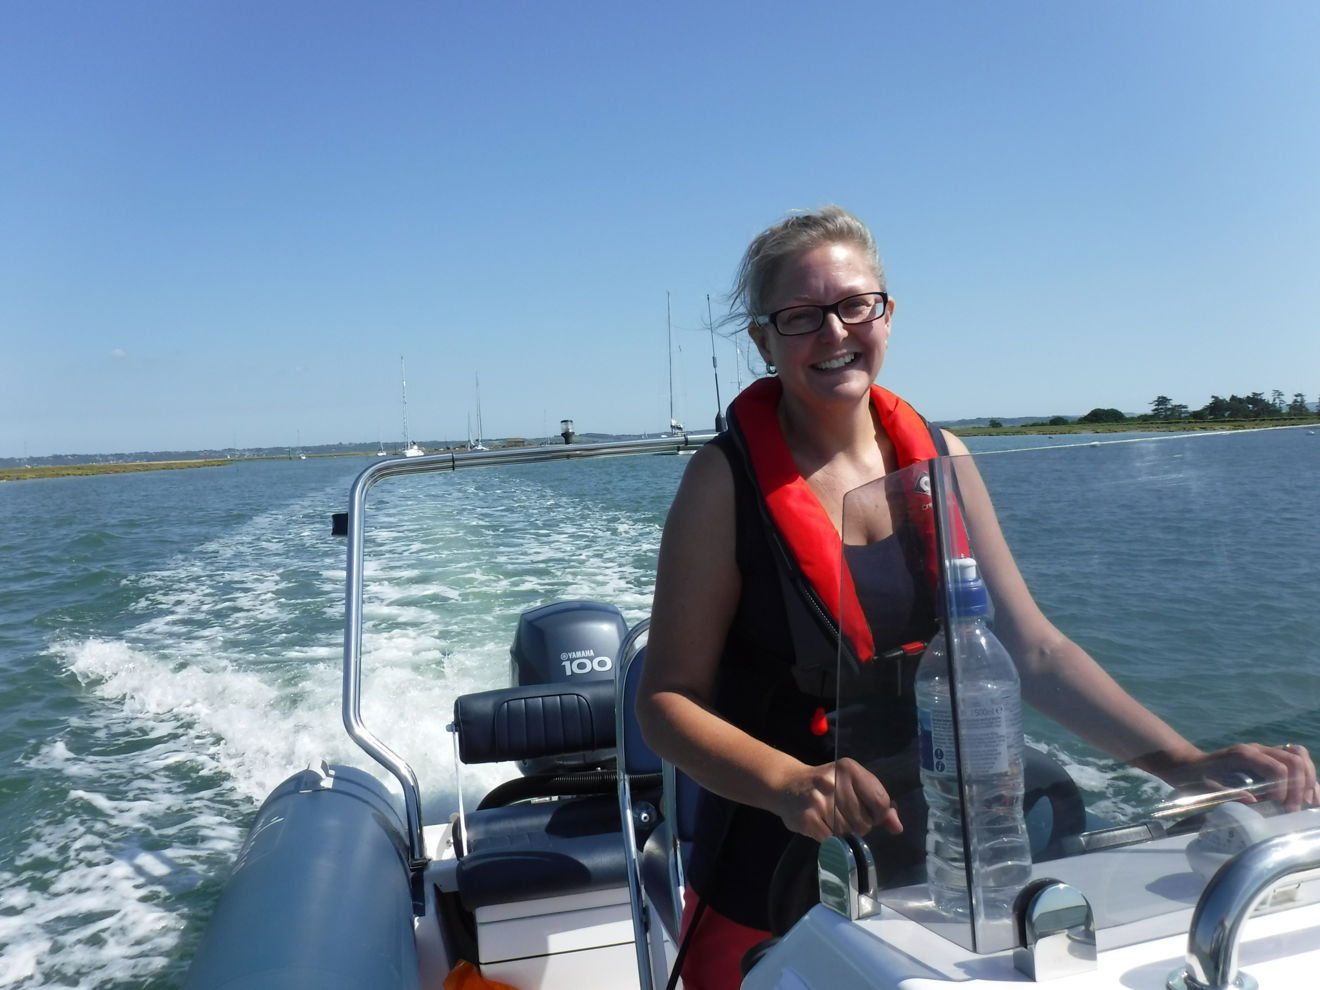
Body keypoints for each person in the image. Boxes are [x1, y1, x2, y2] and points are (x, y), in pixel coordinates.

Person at [635, 205, 1318, 990]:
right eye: (800, 316)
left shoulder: (943, 461)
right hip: (776, 857)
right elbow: (668, 701)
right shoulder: (722, 483)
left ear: (886, 314)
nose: (834, 332)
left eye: (855, 304)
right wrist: (788, 784)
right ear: (762, 340)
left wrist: (1185, 764)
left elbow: (1033, 649)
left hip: (939, 853)